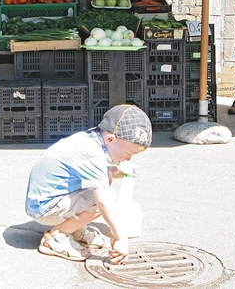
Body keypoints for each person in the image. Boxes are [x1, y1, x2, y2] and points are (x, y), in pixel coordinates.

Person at [25, 104, 152, 264]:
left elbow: (105, 172)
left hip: (46, 200)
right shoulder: (92, 154)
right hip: (44, 208)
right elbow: (103, 201)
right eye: (128, 154)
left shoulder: (93, 140)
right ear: (111, 139)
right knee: (105, 199)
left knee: (104, 182)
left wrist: (120, 172)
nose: (128, 160)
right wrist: (121, 238)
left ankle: (74, 227)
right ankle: (57, 237)